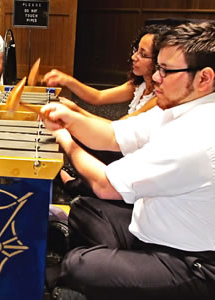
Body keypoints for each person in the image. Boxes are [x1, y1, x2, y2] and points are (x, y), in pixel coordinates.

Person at [42, 21, 215, 300]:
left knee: (79, 264)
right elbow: (112, 134)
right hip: (153, 230)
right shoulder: (178, 105)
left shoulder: (199, 132)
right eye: (157, 67)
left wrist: (65, 140)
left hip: (192, 261)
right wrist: (70, 118)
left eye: (166, 71)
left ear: (204, 78)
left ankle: (85, 272)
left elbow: (104, 185)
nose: (156, 78)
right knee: (86, 210)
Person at [46, 25, 169, 198]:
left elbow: (118, 127)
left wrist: (75, 112)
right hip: (122, 140)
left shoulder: (160, 98)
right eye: (136, 50)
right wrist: (67, 80)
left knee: (82, 135)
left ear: (159, 61)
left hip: (133, 156)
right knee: (81, 132)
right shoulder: (139, 85)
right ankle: (78, 179)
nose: (134, 57)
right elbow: (98, 97)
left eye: (143, 54)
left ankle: (79, 184)